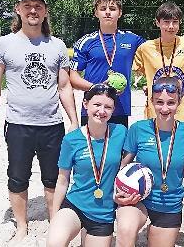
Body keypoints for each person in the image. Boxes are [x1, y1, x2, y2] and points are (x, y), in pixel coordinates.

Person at [0, 0, 79, 243]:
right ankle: (22, 226)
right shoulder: (4, 44)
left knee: (54, 177)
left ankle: (54, 221)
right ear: (18, 9)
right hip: (18, 124)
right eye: (28, 5)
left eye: (38, 6)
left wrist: (74, 121)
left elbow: (64, 86)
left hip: (51, 124)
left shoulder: (57, 45)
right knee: (17, 177)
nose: (33, 10)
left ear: (45, 12)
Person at [114, 76, 184, 247]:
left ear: (179, 102)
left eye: (171, 103)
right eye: (159, 102)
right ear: (151, 100)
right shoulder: (138, 128)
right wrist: (117, 192)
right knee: (125, 229)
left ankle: (154, 231)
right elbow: (123, 164)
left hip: (170, 203)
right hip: (139, 199)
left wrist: (177, 172)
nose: (165, 108)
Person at [47, 84, 127, 247]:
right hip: (76, 205)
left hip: (103, 213)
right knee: (55, 242)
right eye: (97, 105)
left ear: (113, 110)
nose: (102, 111)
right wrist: (54, 217)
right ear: (85, 104)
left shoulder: (121, 132)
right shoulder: (71, 140)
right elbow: (62, 181)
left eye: (108, 107)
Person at [70, 0, 146, 127]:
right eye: (103, 8)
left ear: (120, 13)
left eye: (112, 8)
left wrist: (183, 38)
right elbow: (73, 77)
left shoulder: (132, 39)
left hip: (119, 108)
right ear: (96, 12)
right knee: (91, 148)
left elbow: (159, 47)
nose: (107, 12)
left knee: (117, 148)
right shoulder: (86, 41)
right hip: (93, 107)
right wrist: (96, 87)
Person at [133, 1, 184, 124]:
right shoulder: (145, 48)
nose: (171, 26)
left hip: (182, 114)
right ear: (158, 22)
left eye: (175, 22)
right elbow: (140, 72)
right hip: (155, 112)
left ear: (180, 23)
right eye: (166, 22)